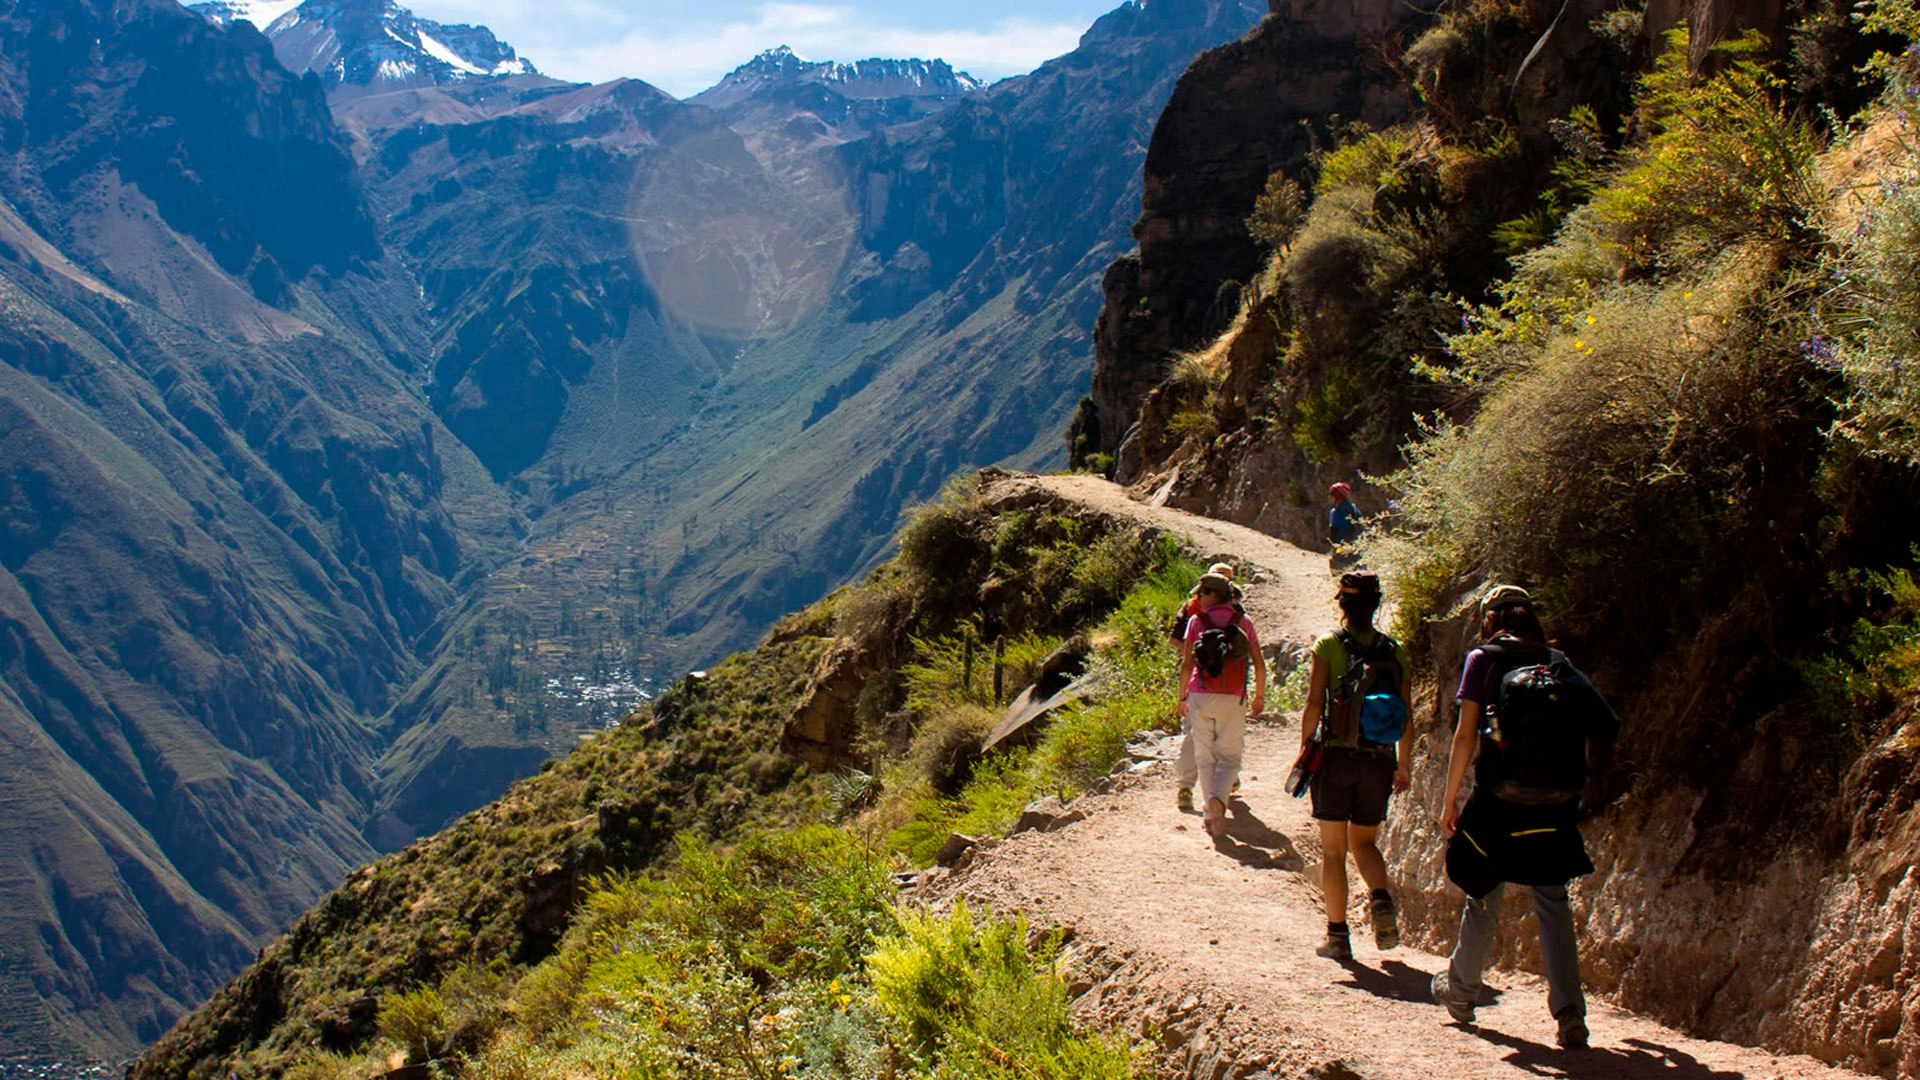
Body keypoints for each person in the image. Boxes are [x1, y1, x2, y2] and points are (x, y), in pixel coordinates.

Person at [1431, 584, 1619, 1051]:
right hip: (1554, 803)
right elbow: (1606, 723)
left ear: (1489, 618)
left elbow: (1465, 735)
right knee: (1552, 900)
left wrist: (1450, 798)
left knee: (1483, 891)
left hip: (1498, 800)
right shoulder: (1560, 664)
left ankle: (1460, 994)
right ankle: (1570, 1015)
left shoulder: (1483, 660)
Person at [1298, 570, 1412, 960]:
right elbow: (1407, 716)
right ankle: (1381, 901)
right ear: (1376, 604)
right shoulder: (1395, 651)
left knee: (1333, 852)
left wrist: (1304, 750)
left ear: (1342, 604)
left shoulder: (1329, 644)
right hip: (1379, 761)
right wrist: (1403, 765)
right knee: (1364, 844)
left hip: (1337, 758)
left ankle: (1337, 936)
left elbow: (1315, 703)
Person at [1177, 571, 1266, 837]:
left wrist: (1182, 697)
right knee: (1230, 758)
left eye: (1202, 593)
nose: (1198, 598)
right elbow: (1259, 664)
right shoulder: (1243, 621)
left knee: (1205, 757)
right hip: (1234, 695)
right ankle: (1218, 802)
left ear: (1215, 595)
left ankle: (1209, 812)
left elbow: (1186, 664)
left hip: (1200, 694)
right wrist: (1259, 696)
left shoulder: (1197, 621)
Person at [1169, 563, 1243, 810]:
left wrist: (1197, 653)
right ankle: (1218, 790)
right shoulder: (1238, 613)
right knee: (1223, 736)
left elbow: (1174, 641)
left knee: (1194, 737)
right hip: (1228, 687)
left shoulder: (1192, 610)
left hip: (1197, 685)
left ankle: (1188, 788)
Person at [1328, 482, 1362, 569]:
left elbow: (1334, 533)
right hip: (1358, 548)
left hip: (1342, 549)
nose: (1329, 497)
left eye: (1332, 494)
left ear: (1337, 496)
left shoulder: (1335, 512)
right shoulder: (1354, 508)